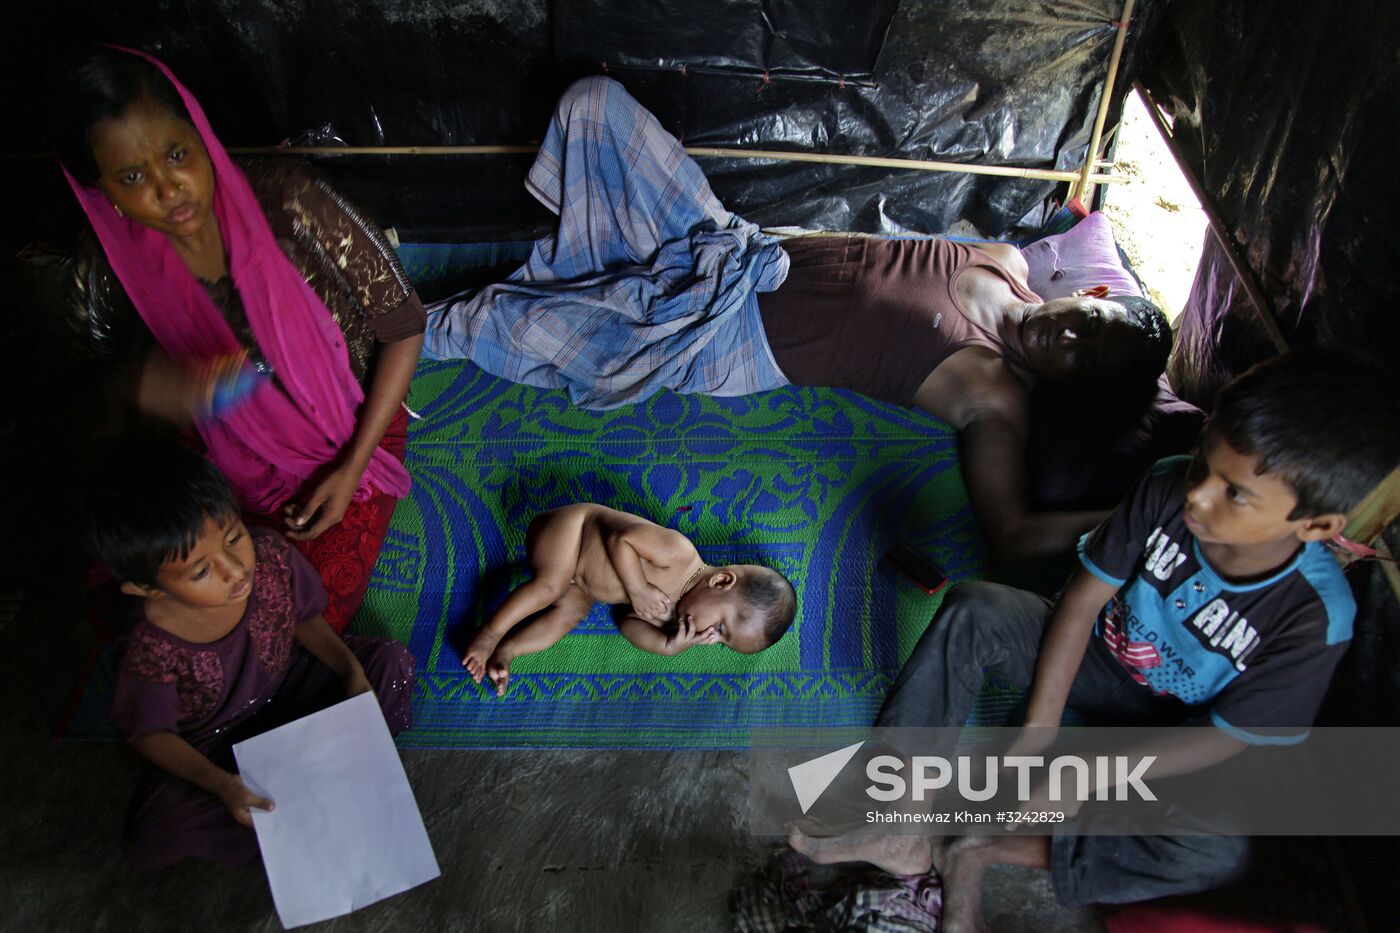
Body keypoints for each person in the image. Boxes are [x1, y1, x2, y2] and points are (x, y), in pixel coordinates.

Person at [423, 76, 1172, 562]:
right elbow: (1080, 232)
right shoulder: (1007, 258)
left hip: (719, 339)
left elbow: (1009, 533)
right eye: (1086, 323)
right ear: (1090, 296)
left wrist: (1133, 511)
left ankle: (397, 327)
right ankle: (589, 260)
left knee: (505, 322)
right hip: (732, 243)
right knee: (594, 107)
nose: (1065, 335)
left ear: (1070, 383)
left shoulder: (994, 399)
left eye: (1078, 357)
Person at [788, 351, 1400, 929]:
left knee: (1213, 849)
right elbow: (1083, 600)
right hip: (1101, 655)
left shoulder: (1315, 616)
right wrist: (1039, 733)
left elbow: (1227, 736)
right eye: (1203, 460)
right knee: (976, 607)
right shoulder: (1166, 485)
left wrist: (1090, 774)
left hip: (1177, 726)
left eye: (1235, 493)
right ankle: (900, 818)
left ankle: (981, 846)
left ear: (1315, 526)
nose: (1199, 494)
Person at [56, 47, 425, 632]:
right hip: (221, 436)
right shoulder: (115, 264)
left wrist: (352, 467)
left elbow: (404, 325)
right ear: (103, 192)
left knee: (300, 614)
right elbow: (98, 408)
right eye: (132, 177)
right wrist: (144, 387)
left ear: (200, 134)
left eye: (177, 154)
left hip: (353, 424)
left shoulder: (292, 201)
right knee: (166, 598)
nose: (169, 188)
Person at [83, 439, 416, 869]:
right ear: (147, 588)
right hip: (216, 746)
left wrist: (350, 672)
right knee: (156, 833)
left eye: (233, 536)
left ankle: (311, 790)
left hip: (288, 684)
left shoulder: (268, 555)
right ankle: (309, 791)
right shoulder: (150, 649)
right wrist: (222, 784)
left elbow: (303, 617)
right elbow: (150, 733)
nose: (236, 569)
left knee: (388, 665)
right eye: (202, 571)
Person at [462, 503, 797, 696]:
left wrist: (669, 645)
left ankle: (507, 651)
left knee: (570, 612)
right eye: (721, 627)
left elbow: (626, 621)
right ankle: (489, 634)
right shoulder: (680, 555)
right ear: (722, 581)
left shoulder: (674, 615)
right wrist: (637, 589)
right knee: (550, 586)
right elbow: (622, 539)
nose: (709, 639)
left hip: (582, 583)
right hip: (571, 530)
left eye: (721, 642)